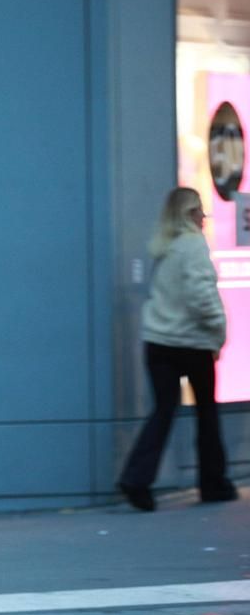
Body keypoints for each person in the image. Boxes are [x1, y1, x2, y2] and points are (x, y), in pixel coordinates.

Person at [118, 187, 238, 511]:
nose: (204, 217)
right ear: (188, 215)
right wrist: (218, 334)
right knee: (206, 414)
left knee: (163, 410)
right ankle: (213, 484)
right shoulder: (193, 246)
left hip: (158, 342)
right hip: (193, 343)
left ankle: (136, 479)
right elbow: (202, 297)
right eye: (200, 210)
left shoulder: (164, 246)